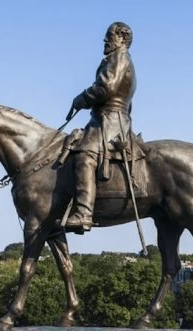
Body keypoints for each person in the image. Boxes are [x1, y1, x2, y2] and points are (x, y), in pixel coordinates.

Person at [63, 21, 136, 232]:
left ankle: (83, 213)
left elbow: (106, 87)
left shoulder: (119, 58)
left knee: (85, 154)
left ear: (122, 39)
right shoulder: (117, 59)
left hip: (110, 120)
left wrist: (82, 98)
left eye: (109, 37)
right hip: (106, 117)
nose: (105, 41)